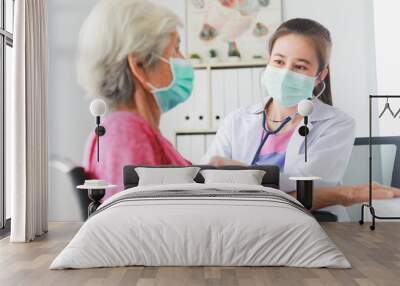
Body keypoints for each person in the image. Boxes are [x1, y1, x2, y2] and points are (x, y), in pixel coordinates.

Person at [202, 18, 400, 211]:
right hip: (239, 221)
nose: (286, 73)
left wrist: (243, 172)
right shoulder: (237, 120)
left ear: (320, 75)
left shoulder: (336, 124)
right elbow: (205, 182)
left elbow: (308, 194)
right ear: (268, 61)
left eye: (300, 66)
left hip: (310, 224)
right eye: (279, 61)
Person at [79, 0, 192, 200]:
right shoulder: (126, 135)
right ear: (139, 64)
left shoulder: (138, 131)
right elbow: (133, 225)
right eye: (176, 48)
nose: (184, 59)